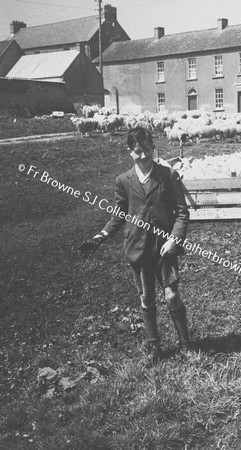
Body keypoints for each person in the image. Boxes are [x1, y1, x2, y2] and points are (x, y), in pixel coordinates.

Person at [80, 127, 191, 366]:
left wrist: (174, 239)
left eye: (147, 150)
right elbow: (118, 215)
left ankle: (185, 344)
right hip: (137, 248)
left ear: (153, 148)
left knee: (172, 296)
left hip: (164, 247)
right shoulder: (123, 181)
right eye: (138, 152)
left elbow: (182, 213)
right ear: (129, 151)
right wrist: (100, 236)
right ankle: (155, 348)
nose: (143, 156)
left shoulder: (168, 175)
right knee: (146, 298)